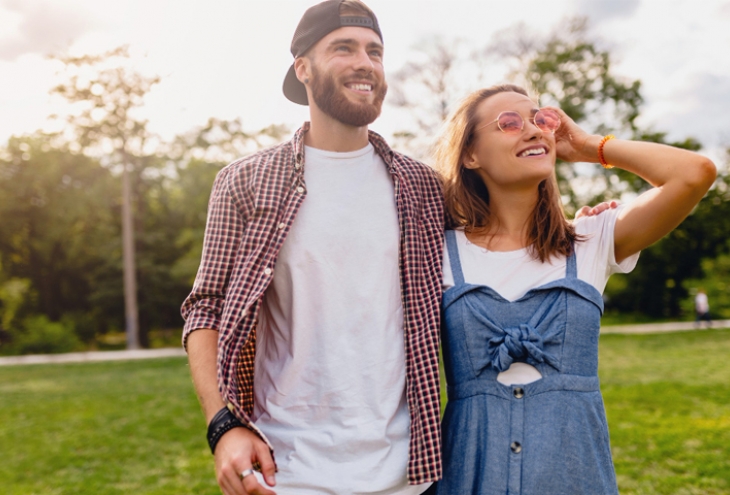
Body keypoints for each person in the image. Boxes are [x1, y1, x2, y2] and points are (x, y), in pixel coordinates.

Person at [180, 1, 444, 494]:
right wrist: (223, 426)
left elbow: (500, 244)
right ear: (302, 68)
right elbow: (206, 308)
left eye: (375, 51)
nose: (365, 63)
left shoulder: (422, 187)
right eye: (343, 48)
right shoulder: (246, 182)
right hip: (287, 470)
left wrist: (587, 224)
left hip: (410, 472)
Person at [428, 84, 716, 494]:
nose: (533, 130)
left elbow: (694, 174)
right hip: (470, 477)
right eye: (509, 123)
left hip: (576, 477)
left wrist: (588, 146)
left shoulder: (590, 240)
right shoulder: (437, 250)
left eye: (540, 119)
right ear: (471, 154)